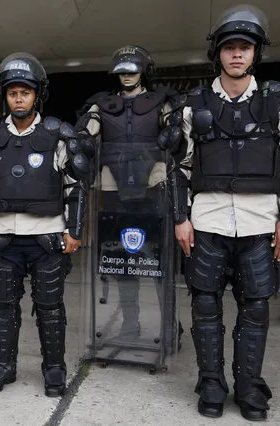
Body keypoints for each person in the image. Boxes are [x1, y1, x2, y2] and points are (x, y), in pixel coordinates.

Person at [168, 4, 280, 420]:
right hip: (208, 222)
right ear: (218, 53)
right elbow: (178, 166)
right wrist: (181, 218)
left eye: (244, 47)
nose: (236, 54)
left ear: (255, 53)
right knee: (205, 306)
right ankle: (211, 385)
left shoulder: (279, 101)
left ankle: (249, 387)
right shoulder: (193, 103)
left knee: (256, 308)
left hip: (259, 225)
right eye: (229, 47)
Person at [0, 52, 91, 397]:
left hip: (46, 238)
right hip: (1, 238)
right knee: (3, 307)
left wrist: (73, 231)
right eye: (12, 93)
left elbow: (76, 186)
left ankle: (54, 370)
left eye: (25, 93)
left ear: (37, 95)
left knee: (50, 308)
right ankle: (4, 367)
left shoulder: (58, 136)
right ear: (5, 96)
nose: (19, 99)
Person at [75, 46, 184, 347]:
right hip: (112, 187)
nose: (126, 75)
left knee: (159, 261)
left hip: (154, 185)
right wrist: (82, 139)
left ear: (143, 71)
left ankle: (169, 325)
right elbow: (85, 134)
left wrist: (172, 132)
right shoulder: (102, 105)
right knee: (121, 259)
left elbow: (177, 137)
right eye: (122, 71)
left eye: (132, 70)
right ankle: (130, 325)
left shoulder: (161, 102)